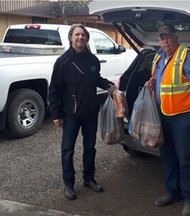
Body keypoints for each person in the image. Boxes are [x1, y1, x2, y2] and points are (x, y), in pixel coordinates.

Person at [146, 24, 190, 216]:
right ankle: (172, 192)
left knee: (185, 160)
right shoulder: (158, 56)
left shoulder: (186, 56)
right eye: (162, 38)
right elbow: (159, 80)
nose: (165, 41)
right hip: (163, 115)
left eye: (168, 37)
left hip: (182, 117)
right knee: (168, 157)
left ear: (176, 37)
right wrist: (152, 83)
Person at [49, 23, 115, 200]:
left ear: (87, 39)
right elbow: (54, 89)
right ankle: (69, 184)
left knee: (90, 147)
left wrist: (110, 86)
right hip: (70, 113)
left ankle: (89, 178)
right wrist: (56, 114)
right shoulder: (63, 61)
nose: (80, 38)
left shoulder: (92, 60)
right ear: (71, 38)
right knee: (68, 150)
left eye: (83, 35)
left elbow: (96, 79)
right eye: (77, 35)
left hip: (90, 112)